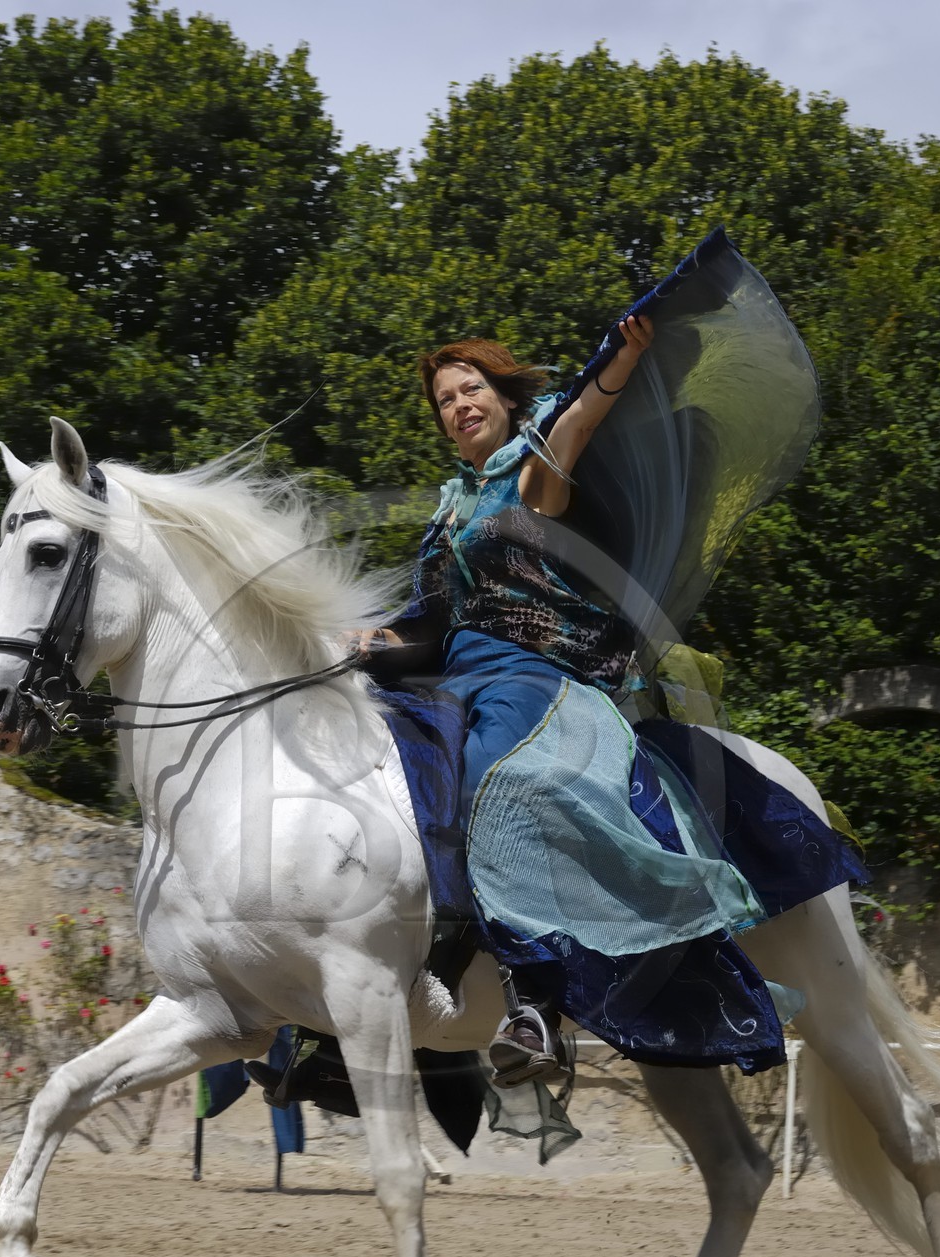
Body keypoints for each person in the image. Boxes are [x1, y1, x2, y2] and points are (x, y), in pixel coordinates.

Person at [352, 235, 864, 1088]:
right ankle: (332, 1026)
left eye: (470, 387)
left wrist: (623, 358)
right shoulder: (447, 512)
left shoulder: (530, 479)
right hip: (457, 673)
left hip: (535, 676)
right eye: (444, 400)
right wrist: (359, 644)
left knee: (496, 777)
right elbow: (429, 631)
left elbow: (581, 420)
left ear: (503, 398)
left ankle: (534, 1001)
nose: (458, 405)